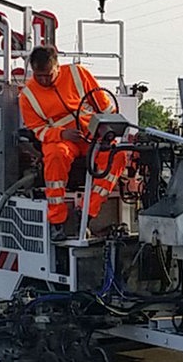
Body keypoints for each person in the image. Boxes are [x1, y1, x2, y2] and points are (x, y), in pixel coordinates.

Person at [19, 45, 129, 239]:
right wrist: (62, 134)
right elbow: (38, 129)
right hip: (61, 141)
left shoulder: (78, 73)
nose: (44, 80)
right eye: (39, 76)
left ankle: (86, 213)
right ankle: (57, 221)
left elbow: (104, 106)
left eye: (48, 75)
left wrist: (107, 129)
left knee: (117, 156)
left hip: (92, 136)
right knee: (55, 156)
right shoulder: (27, 95)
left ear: (57, 67)